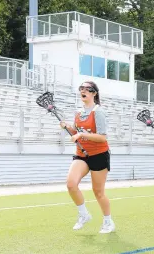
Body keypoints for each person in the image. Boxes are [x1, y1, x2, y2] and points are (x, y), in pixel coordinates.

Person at [60, 81, 115, 233]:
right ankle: (84, 214)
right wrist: (68, 128)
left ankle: (108, 222)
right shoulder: (78, 113)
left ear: (94, 93)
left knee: (98, 192)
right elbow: (75, 133)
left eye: (87, 89)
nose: (83, 91)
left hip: (99, 155)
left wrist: (82, 134)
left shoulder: (98, 112)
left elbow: (103, 137)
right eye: (81, 89)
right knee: (71, 184)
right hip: (82, 154)